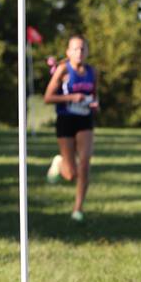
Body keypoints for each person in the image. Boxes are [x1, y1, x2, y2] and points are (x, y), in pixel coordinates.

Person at [43, 34, 99, 222]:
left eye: (83, 48)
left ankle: (78, 209)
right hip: (66, 120)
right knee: (70, 174)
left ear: (87, 51)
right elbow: (48, 98)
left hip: (85, 120)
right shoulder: (62, 70)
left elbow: (95, 96)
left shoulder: (92, 71)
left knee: (85, 163)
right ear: (68, 52)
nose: (79, 52)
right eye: (75, 49)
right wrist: (71, 98)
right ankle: (60, 162)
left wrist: (95, 104)